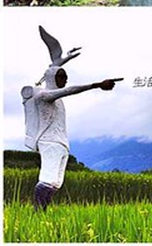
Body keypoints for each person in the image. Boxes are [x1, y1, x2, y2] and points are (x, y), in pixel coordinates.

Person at [22, 27, 120, 211]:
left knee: (56, 182)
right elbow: (69, 90)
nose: (65, 80)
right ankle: (37, 212)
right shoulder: (44, 95)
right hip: (49, 141)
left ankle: (43, 211)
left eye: (65, 77)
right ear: (54, 78)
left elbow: (58, 75)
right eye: (62, 77)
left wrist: (68, 57)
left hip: (61, 142)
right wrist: (96, 84)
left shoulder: (54, 96)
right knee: (48, 178)